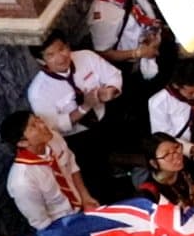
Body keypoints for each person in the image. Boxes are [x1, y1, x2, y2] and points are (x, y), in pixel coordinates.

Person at [26, 30, 122, 199]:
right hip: (78, 139)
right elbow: (54, 127)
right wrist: (84, 107)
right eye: (51, 55)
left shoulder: (86, 57)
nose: (61, 57)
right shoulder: (38, 91)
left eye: (62, 49)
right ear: (41, 61)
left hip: (105, 118)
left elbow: (114, 75)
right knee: (99, 180)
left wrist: (110, 90)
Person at [1, 110, 96, 230]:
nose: (43, 125)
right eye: (34, 126)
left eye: (38, 119)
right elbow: (42, 223)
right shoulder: (22, 181)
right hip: (62, 225)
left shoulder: (53, 137)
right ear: (23, 143)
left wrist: (85, 198)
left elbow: (71, 165)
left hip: (81, 207)